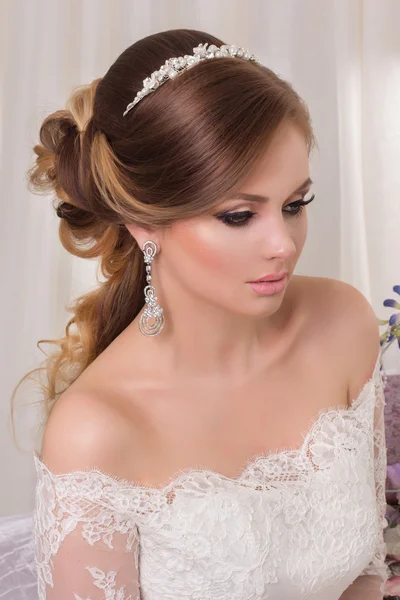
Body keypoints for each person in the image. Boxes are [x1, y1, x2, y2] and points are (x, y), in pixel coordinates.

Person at [11, 28, 389, 600]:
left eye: (294, 205)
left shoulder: (343, 323)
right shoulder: (96, 432)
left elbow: (363, 573)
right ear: (143, 222)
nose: (283, 245)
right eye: (239, 215)